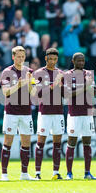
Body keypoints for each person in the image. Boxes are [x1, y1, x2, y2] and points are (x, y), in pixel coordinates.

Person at [0, 46, 37, 181]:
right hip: (11, 112)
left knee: (26, 143)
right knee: (7, 142)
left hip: (26, 112)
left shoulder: (30, 72)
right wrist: (19, 84)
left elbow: (34, 94)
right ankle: (4, 174)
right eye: (18, 56)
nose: (21, 58)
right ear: (13, 57)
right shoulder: (7, 72)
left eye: (23, 56)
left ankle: (24, 174)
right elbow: (5, 92)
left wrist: (30, 84)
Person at [63, 52, 96, 180]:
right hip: (74, 113)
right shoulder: (67, 75)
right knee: (71, 142)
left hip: (87, 113)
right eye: (78, 60)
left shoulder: (89, 74)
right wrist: (85, 87)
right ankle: (69, 173)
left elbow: (93, 94)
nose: (81, 63)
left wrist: (87, 87)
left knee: (87, 143)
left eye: (83, 60)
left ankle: (87, 173)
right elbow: (67, 94)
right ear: (73, 61)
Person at [33, 48, 65, 180]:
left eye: (55, 59)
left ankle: (55, 172)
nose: (52, 61)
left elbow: (66, 94)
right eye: (50, 59)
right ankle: (37, 173)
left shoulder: (61, 73)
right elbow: (37, 94)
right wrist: (53, 85)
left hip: (58, 112)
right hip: (44, 112)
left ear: (57, 59)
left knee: (57, 143)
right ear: (46, 59)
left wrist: (62, 85)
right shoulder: (38, 73)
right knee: (40, 142)